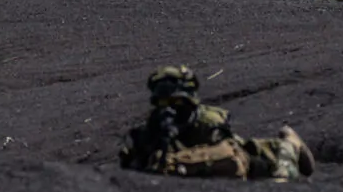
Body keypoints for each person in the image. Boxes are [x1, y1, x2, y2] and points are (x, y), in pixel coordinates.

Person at [117, 65, 315, 180]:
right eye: (162, 97)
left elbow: (232, 159)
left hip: (248, 158)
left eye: (176, 99)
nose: (169, 106)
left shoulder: (208, 122)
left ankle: (291, 142)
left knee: (280, 171)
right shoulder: (153, 127)